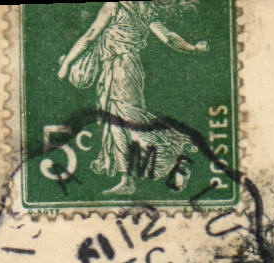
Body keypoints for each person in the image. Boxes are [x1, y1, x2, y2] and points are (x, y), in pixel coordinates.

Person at [56, 2, 207, 196]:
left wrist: (66, 64)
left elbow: (90, 36)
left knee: (128, 122)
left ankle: (174, 159)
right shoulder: (146, 10)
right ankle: (127, 178)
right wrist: (193, 48)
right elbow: (169, 38)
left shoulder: (114, 5)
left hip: (120, 70)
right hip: (128, 68)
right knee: (120, 123)